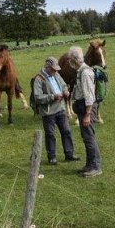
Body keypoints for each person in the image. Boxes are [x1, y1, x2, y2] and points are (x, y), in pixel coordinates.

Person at [31, 57, 79, 166]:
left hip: (61, 109)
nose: (56, 71)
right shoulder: (38, 79)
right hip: (48, 112)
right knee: (50, 134)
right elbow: (38, 97)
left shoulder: (56, 74)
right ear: (47, 67)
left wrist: (66, 91)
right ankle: (51, 157)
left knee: (66, 131)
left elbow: (63, 85)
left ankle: (69, 154)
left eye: (56, 69)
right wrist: (52, 97)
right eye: (53, 69)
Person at [68, 46, 101, 177]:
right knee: (86, 137)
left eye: (70, 58)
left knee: (89, 137)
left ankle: (96, 166)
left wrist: (87, 114)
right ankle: (89, 165)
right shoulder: (80, 71)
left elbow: (89, 96)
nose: (69, 61)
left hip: (87, 109)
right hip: (82, 108)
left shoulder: (85, 73)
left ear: (75, 59)